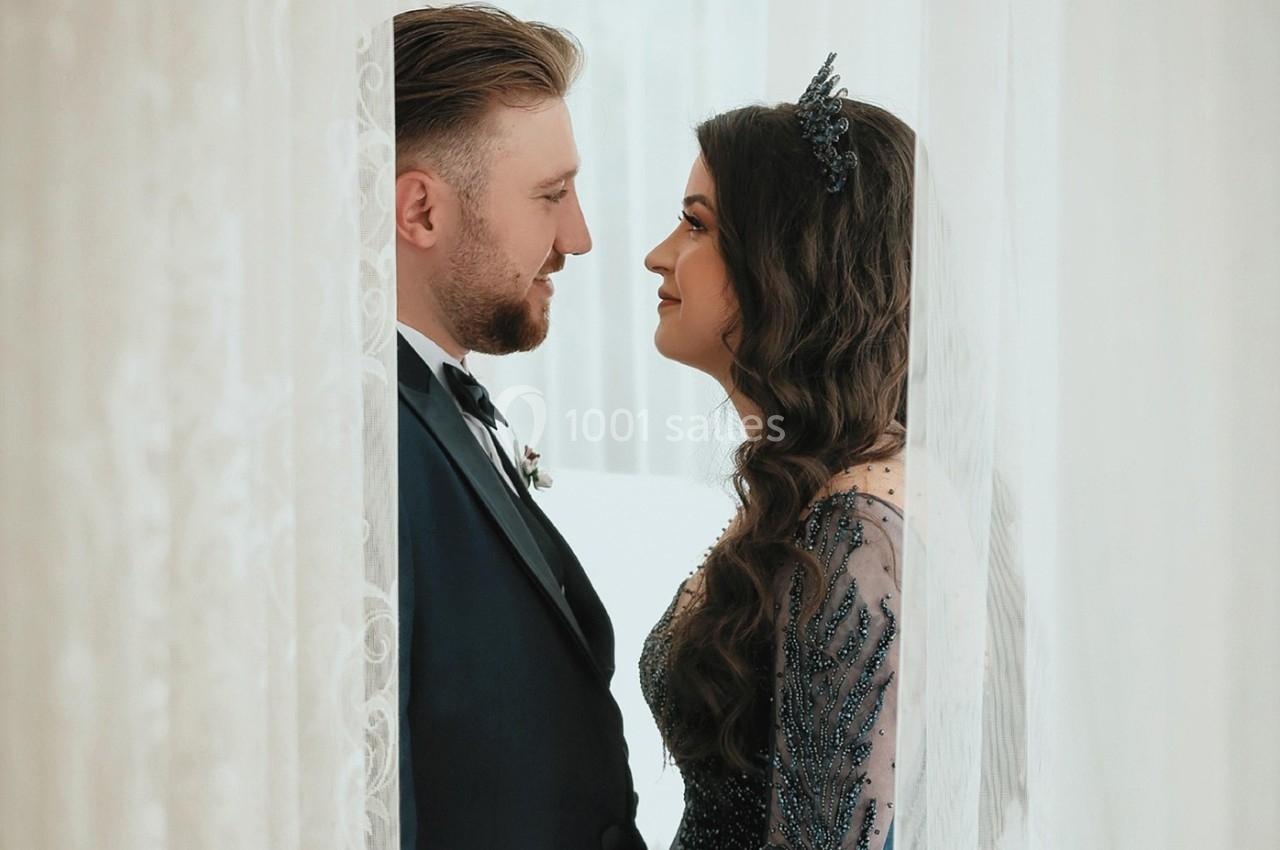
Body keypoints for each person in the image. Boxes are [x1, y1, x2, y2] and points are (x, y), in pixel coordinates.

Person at [639, 54, 913, 850]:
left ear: (784, 260)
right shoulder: (811, 487)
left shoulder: (854, 532)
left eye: (695, 225)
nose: (659, 254)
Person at [392, 7, 645, 849]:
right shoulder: (369, 439)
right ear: (421, 212)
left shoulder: (438, 405)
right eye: (550, 196)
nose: (578, 236)